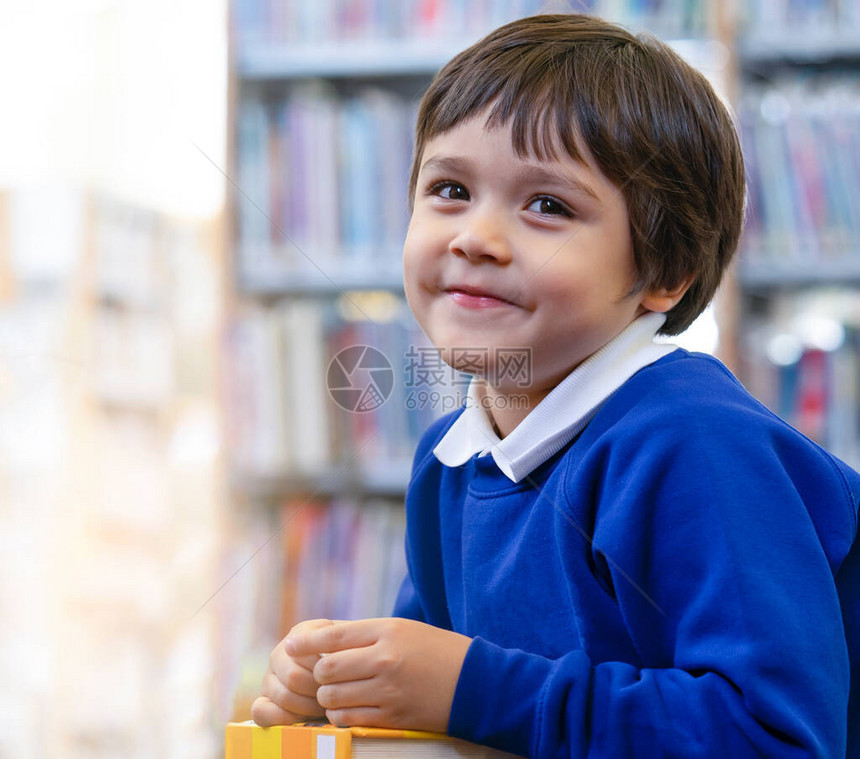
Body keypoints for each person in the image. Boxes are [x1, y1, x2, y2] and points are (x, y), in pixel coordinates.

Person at [251, 13, 860, 758]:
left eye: (548, 205)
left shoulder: (694, 442)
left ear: (663, 274)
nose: (476, 236)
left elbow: (776, 738)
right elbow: (439, 702)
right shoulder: (449, 460)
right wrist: (343, 685)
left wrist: (473, 687)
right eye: (448, 188)